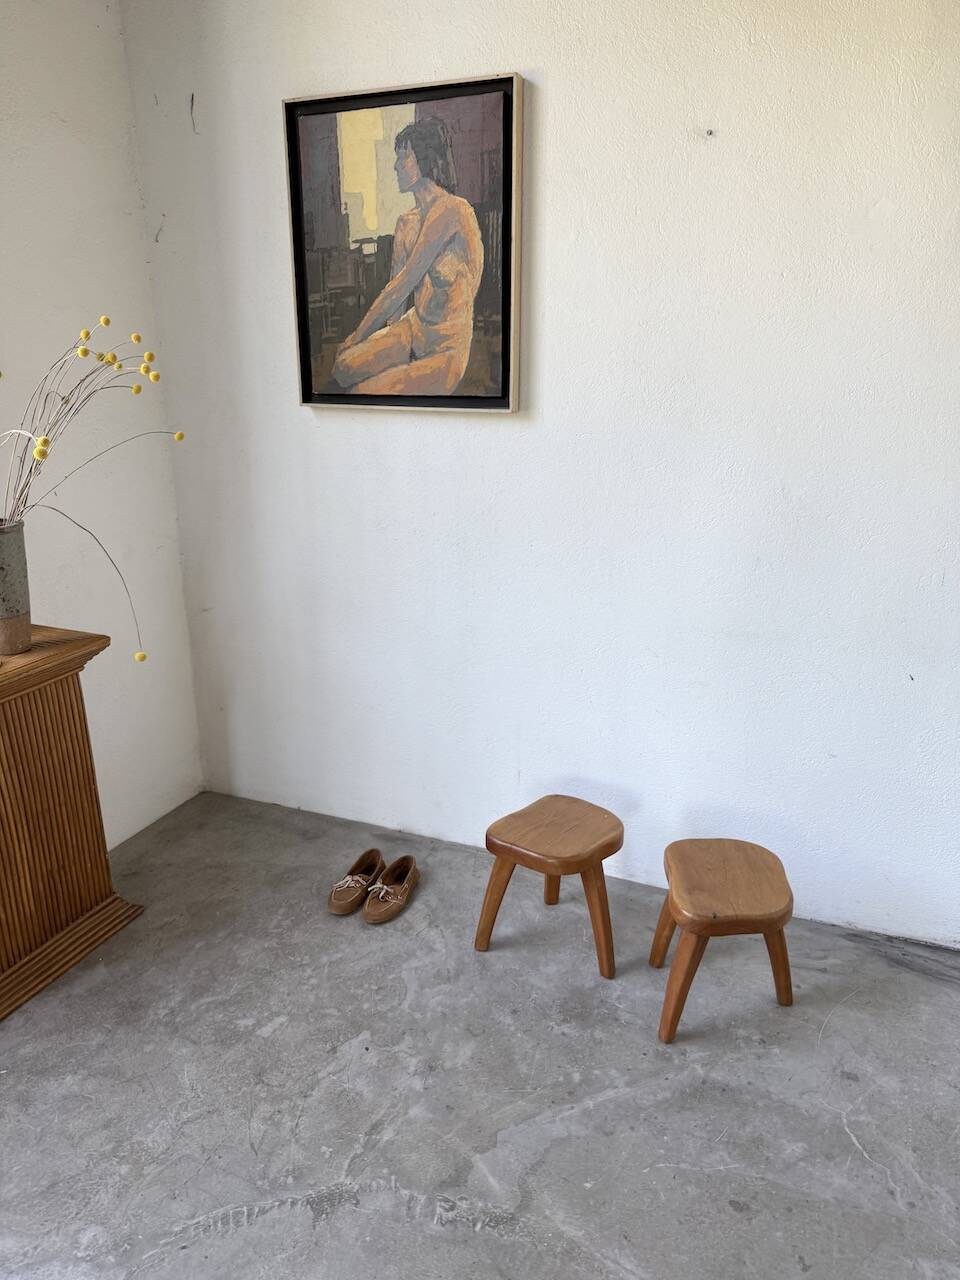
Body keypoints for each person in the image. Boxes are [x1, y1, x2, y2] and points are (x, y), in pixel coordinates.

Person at [332, 118, 484, 396]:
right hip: (413, 330)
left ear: (426, 158)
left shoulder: (453, 210)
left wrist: (358, 336)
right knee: (343, 367)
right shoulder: (406, 223)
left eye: (404, 157)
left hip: (445, 348)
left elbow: (403, 284)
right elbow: (397, 298)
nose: (396, 166)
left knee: (362, 391)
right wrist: (388, 344)